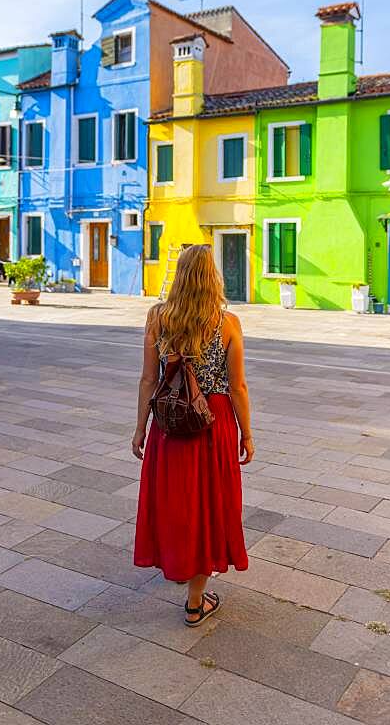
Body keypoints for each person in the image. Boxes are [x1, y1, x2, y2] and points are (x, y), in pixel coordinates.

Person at [132, 244, 254, 626]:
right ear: (211, 277)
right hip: (213, 422)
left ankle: (181, 566)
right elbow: (237, 387)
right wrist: (247, 434)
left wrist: (140, 428)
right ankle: (195, 601)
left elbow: (149, 378)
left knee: (177, 501)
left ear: (179, 275)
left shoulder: (157, 317)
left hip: (169, 424)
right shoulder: (227, 323)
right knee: (210, 507)